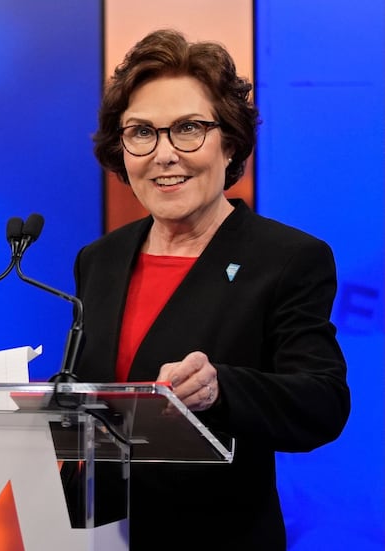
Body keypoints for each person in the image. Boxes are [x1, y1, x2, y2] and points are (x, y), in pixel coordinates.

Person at [74, 29, 350, 549]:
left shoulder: (288, 259)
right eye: (141, 132)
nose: (164, 154)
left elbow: (322, 402)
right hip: (99, 536)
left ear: (231, 142)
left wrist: (222, 387)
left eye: (189, 129)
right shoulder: (99, 259)